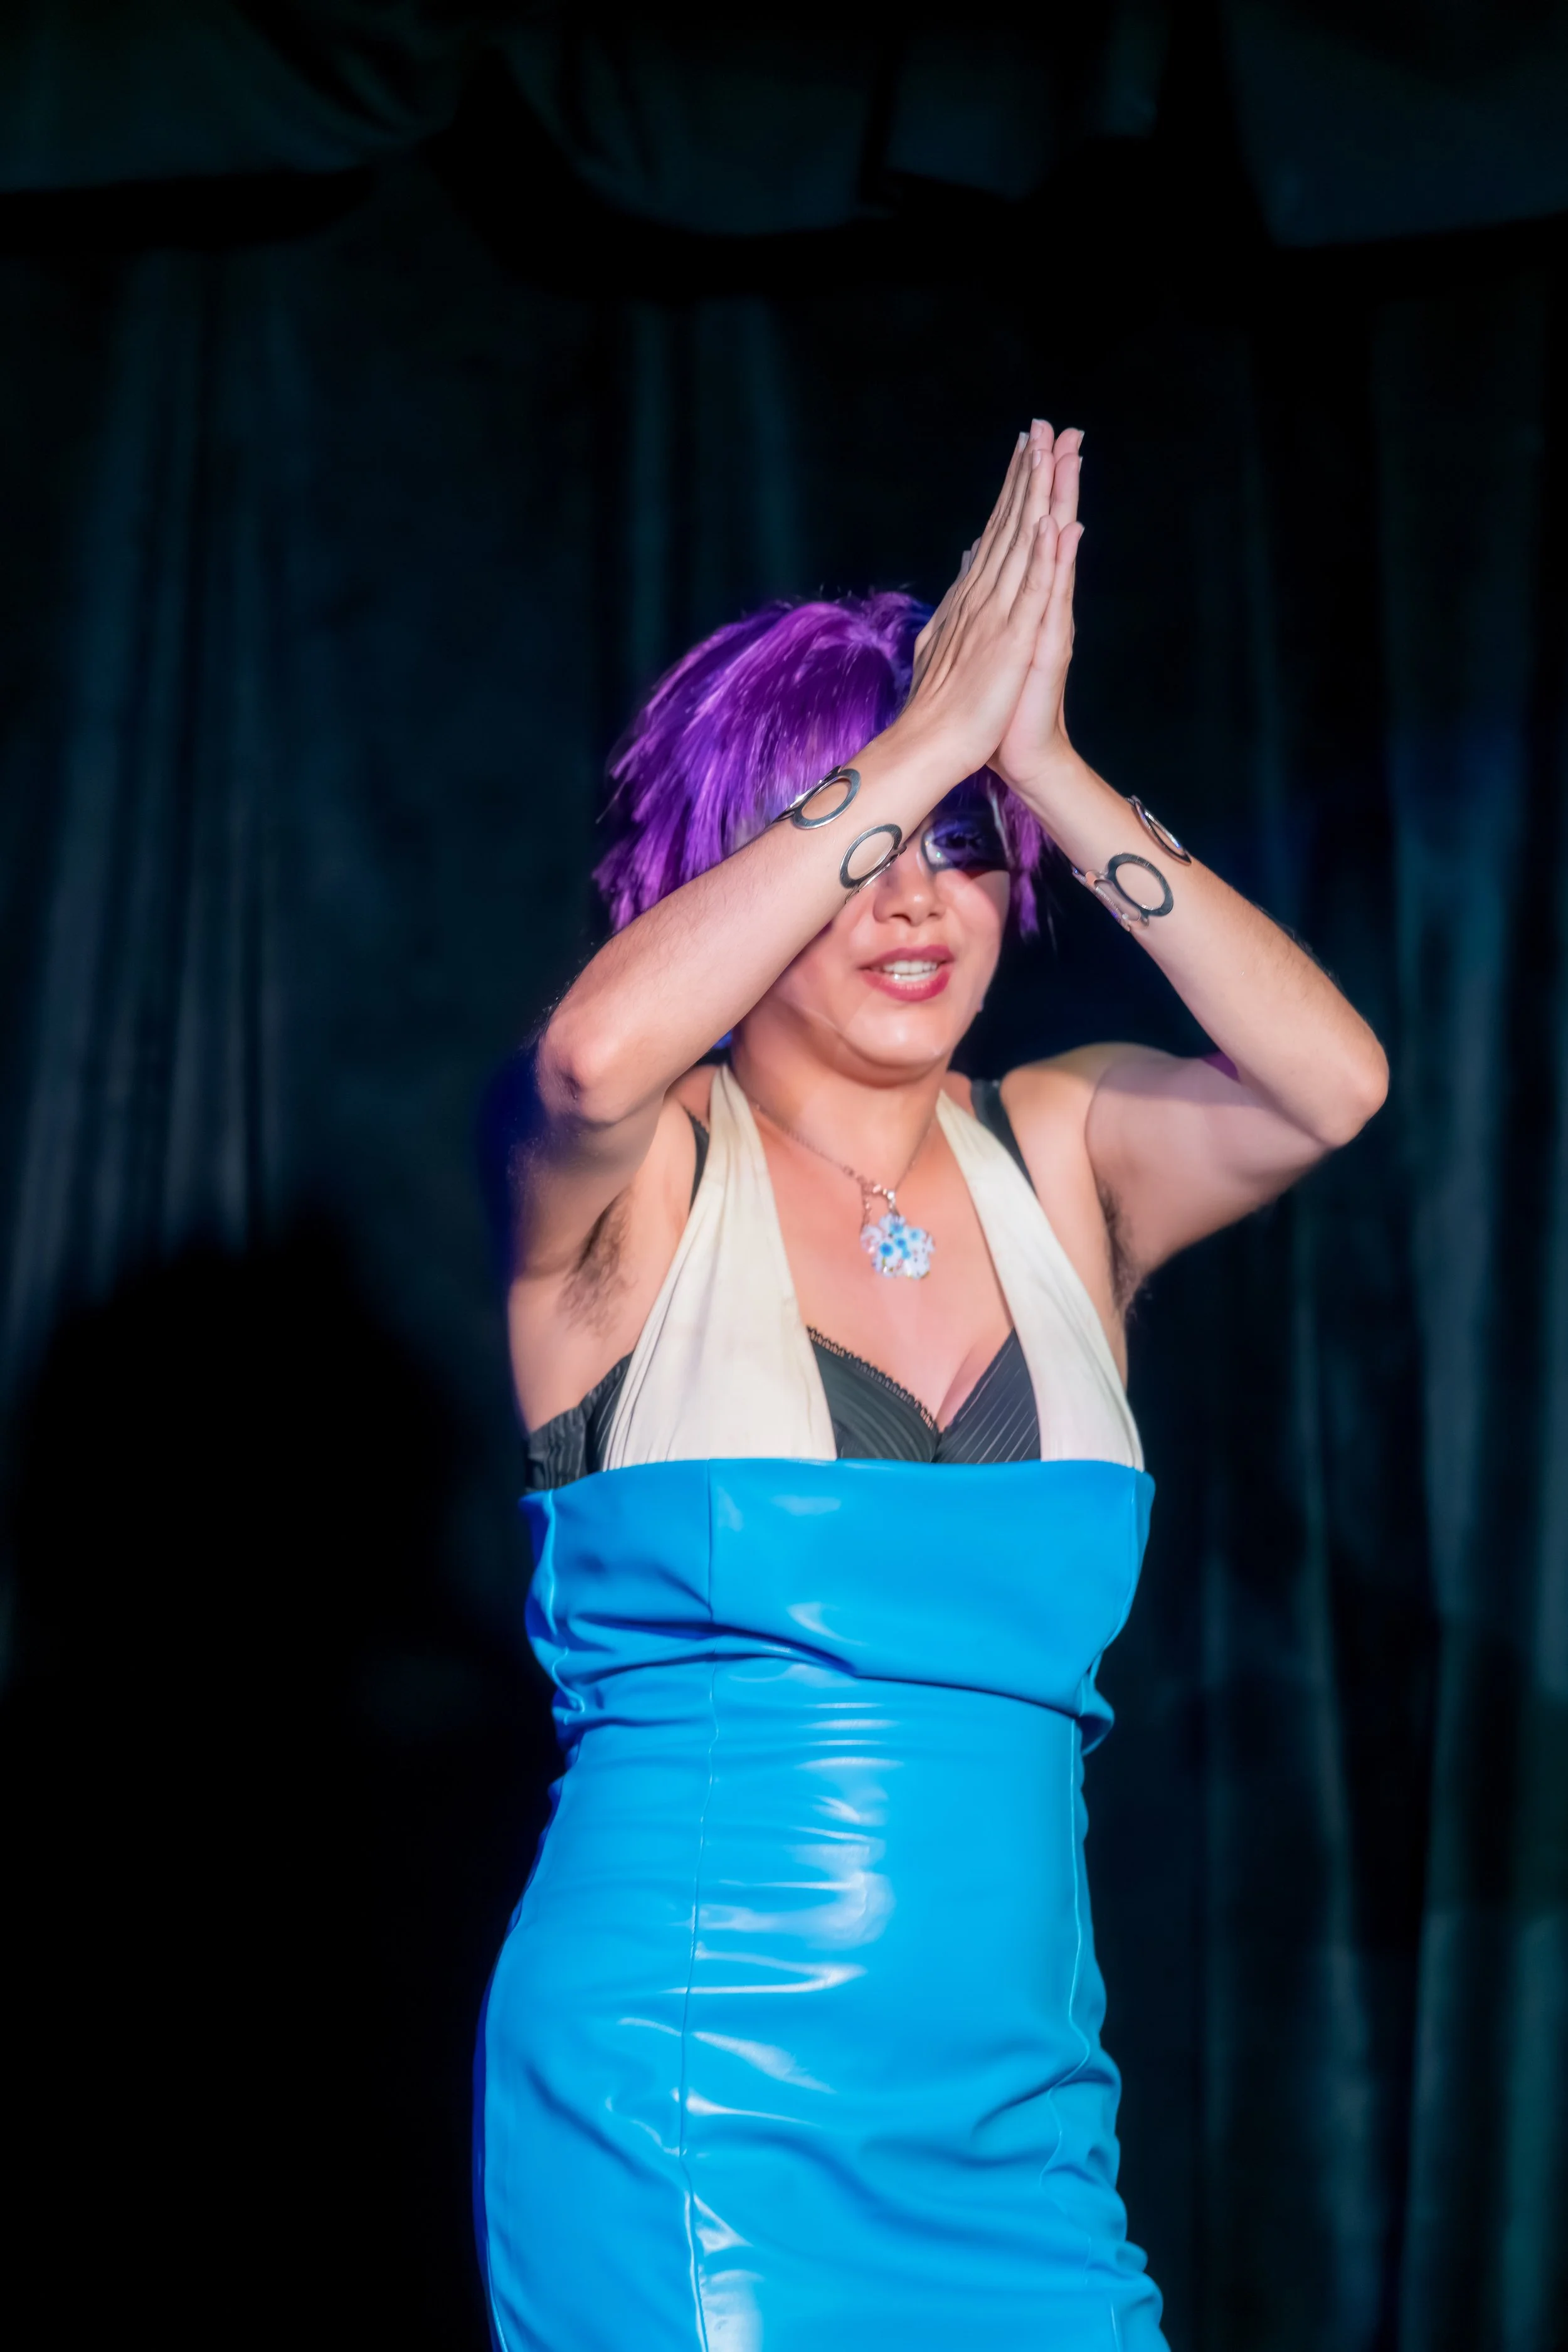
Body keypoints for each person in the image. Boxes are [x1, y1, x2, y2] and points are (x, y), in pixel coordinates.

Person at [474, 422, 1388, 2349]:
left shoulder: (1061, 1152)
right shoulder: (639, 1176)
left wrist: (1031, 754)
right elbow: (583, 1057)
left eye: (966, 854)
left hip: (1019, 2128)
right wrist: (910, 748)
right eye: (868, 839)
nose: (916, 891)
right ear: (732, 869)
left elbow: (1333, 1083)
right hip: (686, 2106)